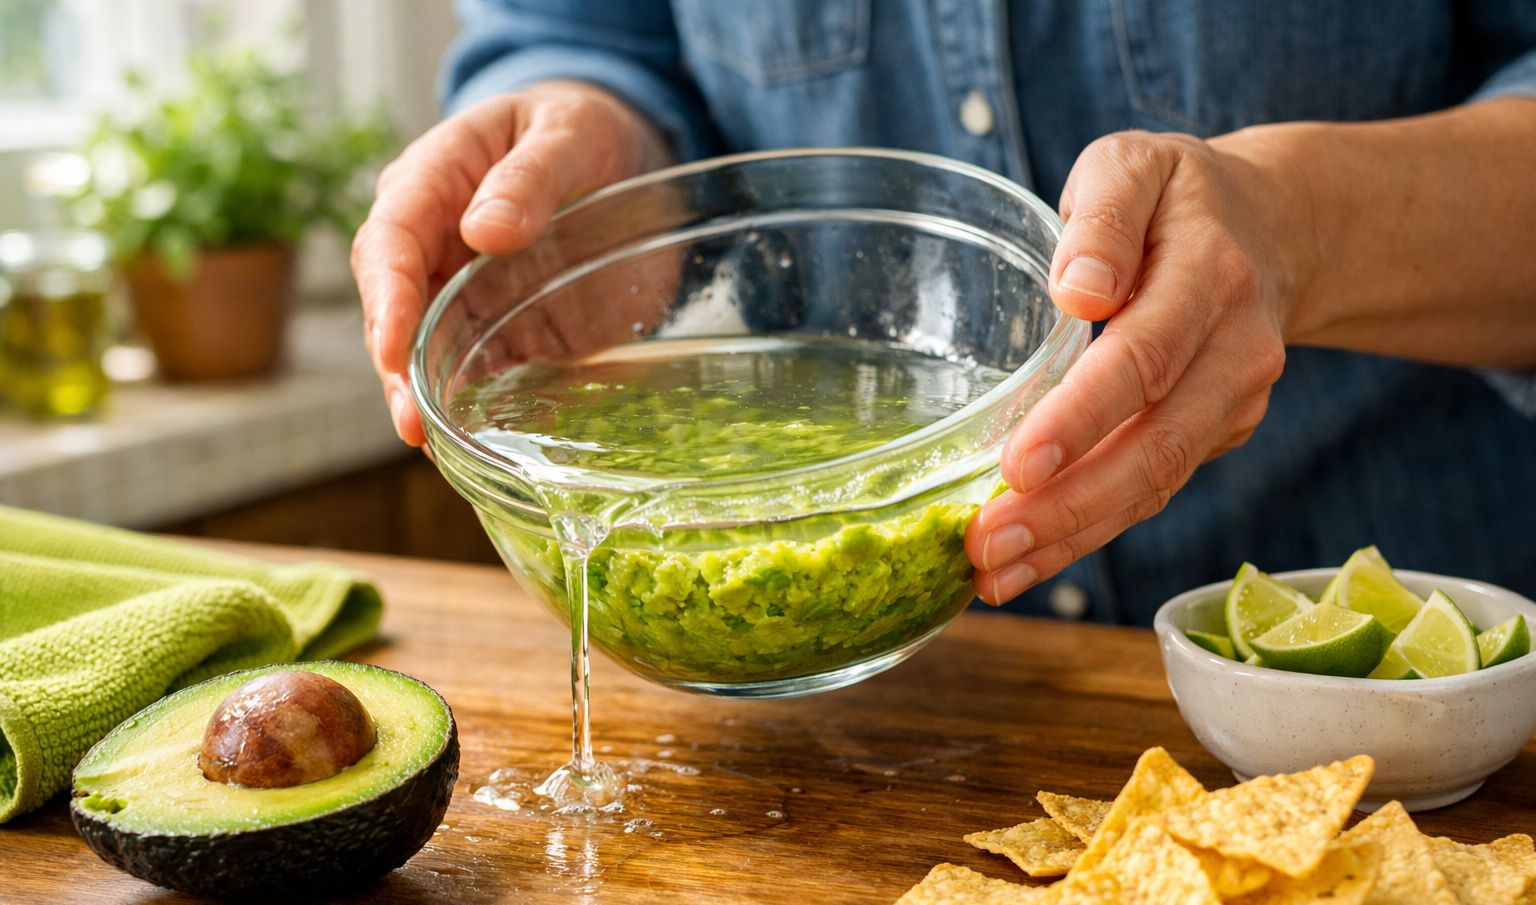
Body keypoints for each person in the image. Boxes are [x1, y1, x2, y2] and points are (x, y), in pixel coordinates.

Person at [352, 1, 1536, 626]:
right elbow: (587, 36)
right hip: (883, 728)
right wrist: (592, 148)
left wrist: (1298, 227)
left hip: (1421, 688)